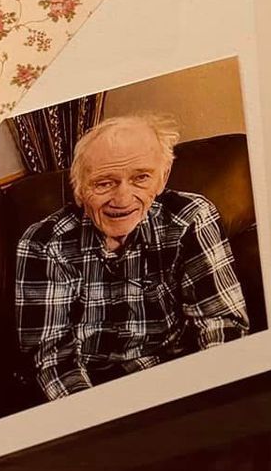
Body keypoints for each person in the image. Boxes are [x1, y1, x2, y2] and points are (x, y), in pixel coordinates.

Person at [14, 114, 248, 400]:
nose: (123, 199)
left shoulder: (191, 218)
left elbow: (220, 324)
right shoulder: (43, 243)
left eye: (141, 178)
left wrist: (208, 400)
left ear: (162, 178)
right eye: (104, 183)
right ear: (79, 190)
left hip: (179, 378)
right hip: (91, 388)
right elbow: (53, 358)